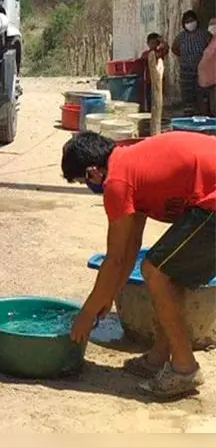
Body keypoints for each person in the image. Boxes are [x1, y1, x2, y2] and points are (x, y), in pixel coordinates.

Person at [61, 131, 215, 399]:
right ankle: (158, 357)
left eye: (82, 182)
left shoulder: (117, 181)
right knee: (167, 273)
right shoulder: (129, 161)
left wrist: (86, 314)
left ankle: (184, 368)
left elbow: (115, 259)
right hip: (207, 198)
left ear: (92, 172)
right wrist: (107, 297)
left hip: (211, 201)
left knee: (155, 272)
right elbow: (130, 247)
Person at [171, 10, 214, 116]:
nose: (190, 23)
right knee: (187, 93)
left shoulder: (204, 34)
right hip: (186, 71)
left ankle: (202, 113)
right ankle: (189, 113)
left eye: (192, 20)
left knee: (201, 93)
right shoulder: (181, 37)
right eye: (187, 21)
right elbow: (174, 48)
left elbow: (211, 49)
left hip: (201, 71)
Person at [140, 33, 169, 115]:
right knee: (150, 99)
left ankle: (159, 113)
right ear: (148, 44)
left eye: (155, 43)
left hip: (159, 80)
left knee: (159, 98)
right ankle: (150, 114)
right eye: (151, 43)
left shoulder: (160, 52)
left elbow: (167, 48)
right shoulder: (146, 54)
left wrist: (162, 40)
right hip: (149, 81)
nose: (153, 45)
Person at [197, 17, 216, 116]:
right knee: (209, 105)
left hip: (214, 79)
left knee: (214, 106)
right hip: (208, 80)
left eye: (214, 24)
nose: (212, 27)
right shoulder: (212, 40)